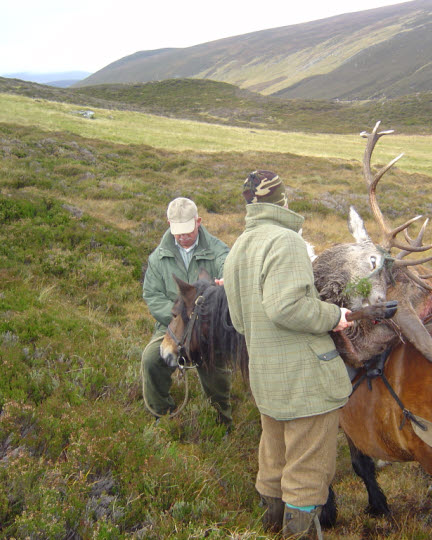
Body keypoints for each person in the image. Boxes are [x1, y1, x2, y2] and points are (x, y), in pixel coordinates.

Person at [223, 170, 353, 539]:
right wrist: (334, 316)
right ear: (282, 199)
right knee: (307, 473)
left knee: (273, 463)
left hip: (267, 380)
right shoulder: (286, 241)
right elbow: (286, 307)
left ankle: (268, 529)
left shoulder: (238, 247)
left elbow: (239, 320)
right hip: (307, 381)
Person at [141, 197, 233, 427]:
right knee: (151, 360)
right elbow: (152, 296)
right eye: (177, 231)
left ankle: (222, 419)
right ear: (169, 224)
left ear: (198, 222)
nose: (182, 236)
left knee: (215, 372)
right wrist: (181, 318)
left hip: (209, 329)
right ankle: (162, 414)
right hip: (172, 325)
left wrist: (227, 278)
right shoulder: (158, 258)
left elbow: (227, 267)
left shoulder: (218, 250)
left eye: (187, 230)